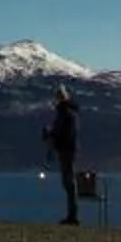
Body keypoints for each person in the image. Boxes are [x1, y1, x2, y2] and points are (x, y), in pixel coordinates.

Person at [43, 84, 81, 225]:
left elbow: (62, 132)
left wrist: (51, 134)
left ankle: (73, 215)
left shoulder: (65, 113)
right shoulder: (69, 113)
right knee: (68, 182)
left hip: (66, 150)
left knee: (68, 182)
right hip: (68, 149)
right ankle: (72, 214)